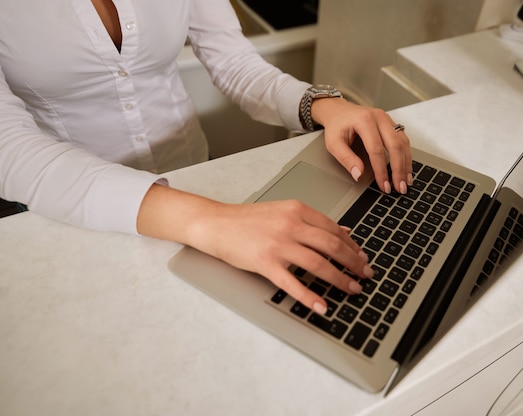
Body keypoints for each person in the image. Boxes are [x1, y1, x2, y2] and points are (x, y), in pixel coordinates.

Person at [0, 0, 412, 315]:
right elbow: (8, 146)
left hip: (194, 175)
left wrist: (321, 104)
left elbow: (233, 62)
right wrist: (211, 220)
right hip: (72, 207)